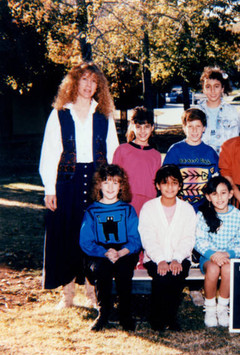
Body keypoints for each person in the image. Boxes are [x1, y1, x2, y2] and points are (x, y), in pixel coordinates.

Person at [39, 62, 119, 309]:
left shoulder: (104, 115)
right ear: (74, 82)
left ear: (99, 86)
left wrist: (111, 185)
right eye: (84, 79)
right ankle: (68, 295)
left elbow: (113, 152)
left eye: (93, 81)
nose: (88, 85)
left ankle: (94, 295)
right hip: (67, 182)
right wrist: (49, 189)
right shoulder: (60, 113)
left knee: (96, 236)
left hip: (96, 181)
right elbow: (50, 152)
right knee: (66, 235)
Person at [80, 164, 141, 332]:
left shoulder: (128, 210)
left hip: (124, 252)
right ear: (99, 185)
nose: (110, 187)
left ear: (121, 186)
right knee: (102, 269)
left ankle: (125, 313)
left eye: (115, 183)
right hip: (99, 252)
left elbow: (135, 239)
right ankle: (104, 312)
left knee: (123, 270)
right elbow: (85, 241)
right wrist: (104, 252)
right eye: (106, 183)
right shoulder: (92, 211)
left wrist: (120, 252)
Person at [139, 165, 197, 332]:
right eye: (165, 183)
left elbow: (189, 238)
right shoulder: (149, 208)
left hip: (180, 258)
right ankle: (157, 317)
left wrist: (177, 258)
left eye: (174, 183)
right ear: (158, 185)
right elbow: (147, 238)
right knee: (162, 277)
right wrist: (160, 260)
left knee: (176, 275)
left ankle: (171, 317)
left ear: (180, 186)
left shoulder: (187, 209)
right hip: (155, 259)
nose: (170, 187)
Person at [195, 176, 240, 327]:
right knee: (213, 269)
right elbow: (199, 241)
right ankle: (210, 308)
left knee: (228, 269)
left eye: (223, 193)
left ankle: (223, 308)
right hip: (208, 257)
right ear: (208, 197)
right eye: (214, 194)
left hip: (229, 258)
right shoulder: (202, 215)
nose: (219, 198)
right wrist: (213, 255)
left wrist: (227, 254)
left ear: (231, 194)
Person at [163, 108, 219, 212]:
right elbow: (165, 180)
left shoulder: (210, 153)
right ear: (184, 128)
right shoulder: (175, 151)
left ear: (204, 128)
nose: (194, 130)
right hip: (179, 208)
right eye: (190, 126)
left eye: (198, 126)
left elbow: (216, 183)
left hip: (204, 209)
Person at [113, 106, 161, 215]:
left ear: (152, 127)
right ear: (132, 127)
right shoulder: (122, 150)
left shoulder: (156, 155)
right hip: (126, 202)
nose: (142, 131)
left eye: (146, 127)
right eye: (138, 127)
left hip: (148, 205)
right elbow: (113, 179)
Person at [197, 66, 240, 153]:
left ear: (222, 88)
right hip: (202, 161)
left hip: (225, 160)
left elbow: (235, 142)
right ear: (203, 89)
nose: (212, 90)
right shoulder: (196, 112)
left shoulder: (232, 112)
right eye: (208, 86)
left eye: (216, 86)